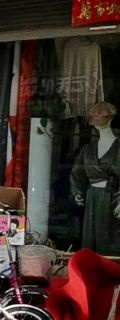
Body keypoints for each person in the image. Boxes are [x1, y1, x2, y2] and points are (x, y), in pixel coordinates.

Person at [70, 100, 120, 255]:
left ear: (110, 119)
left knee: (109, 241)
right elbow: (76, 174)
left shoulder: (118, 148)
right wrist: (77, 192)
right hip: (91, 198)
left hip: (112, 198)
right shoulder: (88, 149)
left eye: (102, 118)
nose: (98, 123)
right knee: (91, 241)